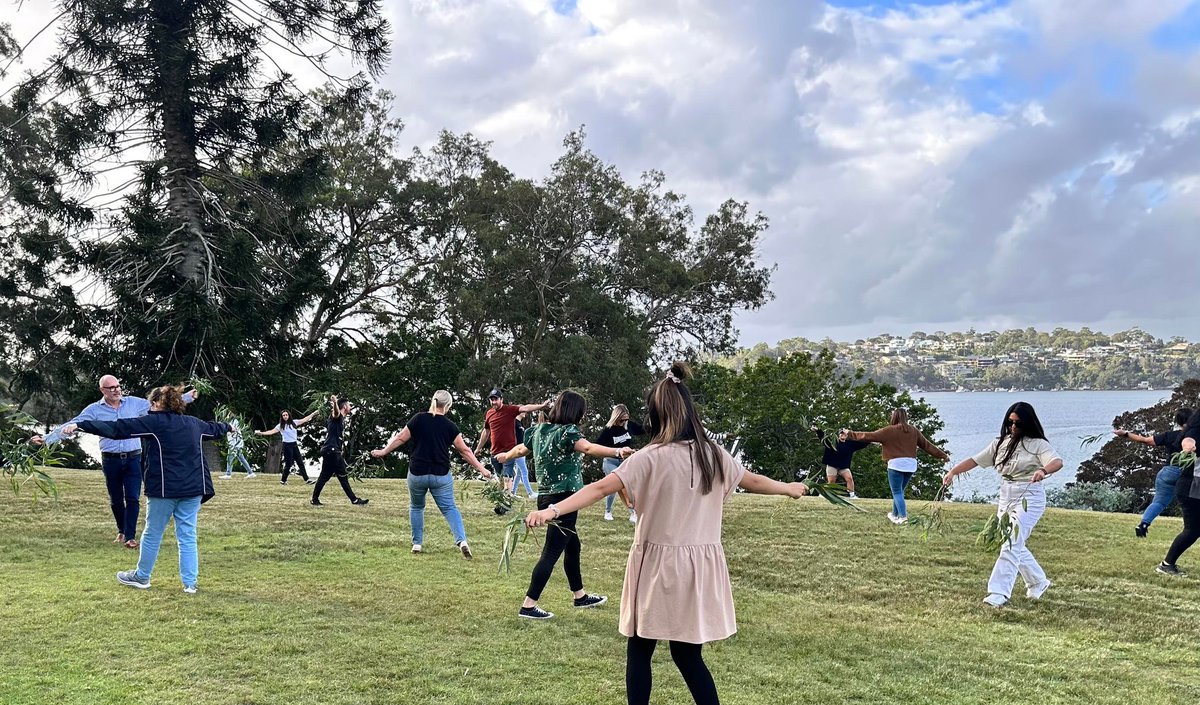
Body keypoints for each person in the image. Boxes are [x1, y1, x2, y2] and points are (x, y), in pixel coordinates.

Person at [525, 362, 809, 705]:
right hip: (698, 569)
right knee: (689, 657)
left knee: (640, 651)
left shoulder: (650, 457)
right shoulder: (714, 455)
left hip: (656, 566)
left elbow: (600, 488)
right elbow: (754, 480)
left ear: (656, 415)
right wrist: (788, 488)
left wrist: (550, 510)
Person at [59, 385, 230, 593]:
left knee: (152, 533)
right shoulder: (194, 423)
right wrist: (229, 427)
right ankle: (190, 584)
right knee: (187, 535)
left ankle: (142, 577)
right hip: (194, 488)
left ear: (157, 403)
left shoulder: (152, 422)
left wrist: (80, 425)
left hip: (164, 489)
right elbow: (216, 428)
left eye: (151, 402)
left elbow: (116, 429)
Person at [496, 390, 633, 621]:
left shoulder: (538, 431)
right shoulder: (568, 433)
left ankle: (580, 596)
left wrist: (504, 456)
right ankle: (528, 605)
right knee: (551, 552)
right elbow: (589, 448)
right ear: (575, 412)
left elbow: (520, 450)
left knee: (573, 546)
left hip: (546, 497)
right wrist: (617, 451)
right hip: (565, 499)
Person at [33, 375, 197, 548]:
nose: (116, 390)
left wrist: (187, 397)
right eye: (111, 388)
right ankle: (122, 530)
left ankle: (130, 537)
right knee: (116, 499)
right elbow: (74, 423)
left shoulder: (134, 403)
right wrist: (46, 438)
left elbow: (159, 404)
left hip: (134, 457)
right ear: (102, 390)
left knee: (133, 498)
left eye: (118, 386)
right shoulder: (94, 409)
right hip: (111, 460)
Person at [942, 401, 1063, 607]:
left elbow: (1057, 462)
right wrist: (953, 472)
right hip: (1006, 495)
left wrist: (1043, 471)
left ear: (1027, 423)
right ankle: (1038, 581)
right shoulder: (1000, 442)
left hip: (1029, 496)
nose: (1013, 427)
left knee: (1011, 541)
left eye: (1017, 423)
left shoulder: (1038, 444)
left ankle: (998, 593)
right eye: (1010, 422)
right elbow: (975, 460)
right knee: (1011, 540)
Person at [371, 390, 494, 557]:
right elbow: (465, 451)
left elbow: (400, 438)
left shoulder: (418, 419)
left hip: (417, 473)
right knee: (450, 508)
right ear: (448, 406)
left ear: (433, 401)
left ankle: (417, 544)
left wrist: (384, 451)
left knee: (416, 506)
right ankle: (462, 541)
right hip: (440, 475)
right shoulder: (450, 426)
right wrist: (482, 469)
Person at [841, 409, 949, 524]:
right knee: (900, 491)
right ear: (905, 417)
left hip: (896, 464)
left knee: (897, 492)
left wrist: (849, 434)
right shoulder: (913, 430)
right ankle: (894, 515)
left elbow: (868, 436)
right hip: (911, 465)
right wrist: (943, 456)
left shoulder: (889, 430)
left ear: (894, 417)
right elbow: (927, 445)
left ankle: (903, 517)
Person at [1113, 407, 1192, 537]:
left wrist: (1125, 434)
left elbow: (1144, 440)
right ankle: (1190, 529)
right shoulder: (1195, 437)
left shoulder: (1169, 435)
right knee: (1191, 501)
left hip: (1167, 472)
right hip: (1185, 473)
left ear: (1178, 422)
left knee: (1159, 502)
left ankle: (1143, 524)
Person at [475, 388, 551, 493]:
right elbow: (486, 432)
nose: (493, 402)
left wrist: (541, 406)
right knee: (501, 479)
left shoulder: (510, 410)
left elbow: (525, 408)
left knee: (507, 477)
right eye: (491, 400)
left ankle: (507, 503)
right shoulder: (489, 413)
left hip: (508, 452)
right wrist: (478, 448)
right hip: (494, 453)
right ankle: (503, 499)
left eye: (496, 399)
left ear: (501, 399)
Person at [1157, 409, 1200, 576]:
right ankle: (1166, 564)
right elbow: (1188, 440)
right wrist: (1188, 446)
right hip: (1192, 487)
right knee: (1192, 530)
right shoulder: (1195, 429)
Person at [311, 395, 368, 507]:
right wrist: (335, 403)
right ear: (344, 407)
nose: (351, 407)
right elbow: (336, 413)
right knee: (332, 477)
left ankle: (353, 500)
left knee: (336, 477)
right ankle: (353, 500)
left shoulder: (340, 420)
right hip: (331, 451)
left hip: (333, 451)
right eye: (349, 405)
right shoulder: (337, 417)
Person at [594, 404, 644, 523]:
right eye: (622, 420)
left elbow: (644, 429)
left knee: (629, 487)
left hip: (626, 461)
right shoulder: (608, 431)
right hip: (610, 461)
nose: (624, 422)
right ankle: (608, 511)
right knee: (612, 487)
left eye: (626, 419)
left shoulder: (629, 426)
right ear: (616, 417)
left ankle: (633, 513)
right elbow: (597, 446)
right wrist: (615, 452)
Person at [256, 409, 318, 485]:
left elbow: (305, 419)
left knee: (300, 462)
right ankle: (283, 480)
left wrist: (314, 413)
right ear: (282, 417)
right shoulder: (280, 426)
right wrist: (261, 433)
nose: (285, 416)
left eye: (286, 415)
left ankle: (307, 479)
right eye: (283, 415)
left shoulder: (294, 423)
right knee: (288, 464)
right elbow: (271, 432)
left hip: (294, 445)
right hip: (287, 445)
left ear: (289, 416)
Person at [814, 426, 868, 498]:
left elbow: (862, 444)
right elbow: (823, 437)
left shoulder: (851, 444)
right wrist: (818, 430)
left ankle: (852, 495)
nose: (843, 435)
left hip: (843, 467)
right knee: (831, 482)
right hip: (832, 465)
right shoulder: (832, 442)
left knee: (849, 478)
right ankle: (824, 494)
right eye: (841, 434)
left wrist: (870, 440)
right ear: (839, 435)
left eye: (844, 434)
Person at [511, 412, 536, 498]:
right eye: (523, 411)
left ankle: (512, 492)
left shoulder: (519, 423)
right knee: (524, 471)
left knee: (519, 473)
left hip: (522, 449)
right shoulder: (514, 423)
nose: (525, 413)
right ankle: (530, 493)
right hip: (517, 451)